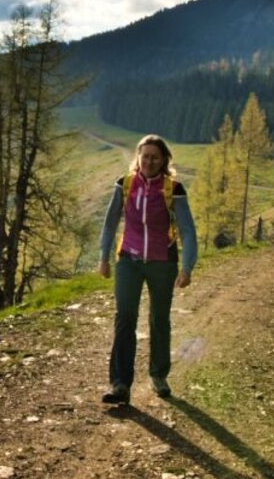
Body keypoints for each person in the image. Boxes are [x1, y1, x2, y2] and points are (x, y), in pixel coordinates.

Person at [98, 134, 198, 405]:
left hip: (162, 263)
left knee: (159, 319)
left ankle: (158, 375)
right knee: (125, 318)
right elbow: (109, 224)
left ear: (164, 160)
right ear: (138, 158)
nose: (150, 161)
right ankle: (120, 384)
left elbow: (187, 231)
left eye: (155, 157)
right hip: (128, 260)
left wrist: (187, 267)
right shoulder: (125, 184)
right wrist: (103, 258)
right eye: (145, 156)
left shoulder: (173, 189)